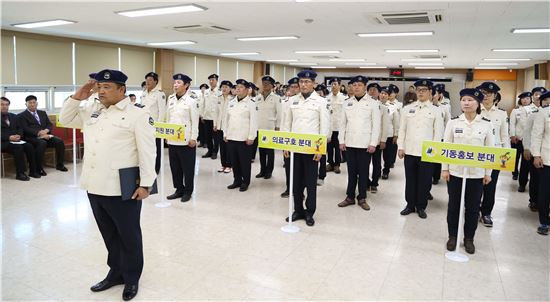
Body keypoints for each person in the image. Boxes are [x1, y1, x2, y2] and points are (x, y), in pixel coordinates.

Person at [60, 69, 156, 301]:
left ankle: (131, 278)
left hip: (122, 187)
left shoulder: (138, 115)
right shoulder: (93, 110)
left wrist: (146, 185)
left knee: (129, 234)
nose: (100, 91)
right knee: (109, 235)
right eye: (99, 87)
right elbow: (64, 119)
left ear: (121, 90)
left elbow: (147, 152)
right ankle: (115, 273)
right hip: (94, 185)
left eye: (107, 87)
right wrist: (77, 96)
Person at [442, 88, 494, 254]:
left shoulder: (486, 124)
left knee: (472, 209)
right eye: (463, 99)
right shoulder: (453, 122)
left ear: (478, 103)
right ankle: (453, 236)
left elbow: (490, 151)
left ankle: (469, 238)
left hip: (476, 174)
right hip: (456, 173)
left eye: (470, 100)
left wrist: (488, 173)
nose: (466, 103)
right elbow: (446, 147)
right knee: (454, 207)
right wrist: (445, 169)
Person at [282, 70, 330, 226]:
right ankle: (298, 210)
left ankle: (309, 212)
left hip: (311, 150)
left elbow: (325, 128)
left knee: (310, 183)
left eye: (307, 82)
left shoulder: (321, 102)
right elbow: (286, 124)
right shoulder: (292, 101)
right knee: (295, 183)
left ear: (313, 84)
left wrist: (320, 150)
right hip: (294, 149)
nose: (303, 84)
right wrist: (285, 146)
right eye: (301, 82)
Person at [397, 79, 444, 219]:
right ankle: (410, 204)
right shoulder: (407, 109)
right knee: (410, 179)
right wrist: (401, 146)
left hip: (427, 152)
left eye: (424, 90)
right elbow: (402, 130)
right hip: (410, 150)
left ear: (430, 92)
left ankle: (421, 206)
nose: (421, 92)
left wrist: (435, 152)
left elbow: (438, 133)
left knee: (424, 180)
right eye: (418, 90)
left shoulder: (436, 111)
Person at [337, 76, 381, 211]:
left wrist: (373, 143)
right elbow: (342, 124)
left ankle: (362, 197)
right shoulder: (347, 103)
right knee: (351, 172)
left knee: (363, 172)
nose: (356, 87)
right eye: (354, 85)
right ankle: (350, 196)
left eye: (359, 85)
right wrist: (341, 140)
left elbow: (376, 126)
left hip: (365, 144)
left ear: (365, 87)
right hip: (350, 143)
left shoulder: (373, 103)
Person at [477, 81, 509, 227]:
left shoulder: (501, 114)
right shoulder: (475, 110)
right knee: (475, 183)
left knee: (490, 185)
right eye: (483, 93)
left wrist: (507, 157)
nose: (485, 96)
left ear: (495, 96)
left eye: (488, 94)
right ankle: (473, 209)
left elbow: (504, 136)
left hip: (495, 154)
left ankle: (486, 213)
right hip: (477, 153)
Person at [165, 74, 199, 202]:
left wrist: (194, 138)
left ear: (186, 85)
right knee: (175, 168)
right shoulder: (171, 99)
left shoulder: (192, 101)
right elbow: (168, 118)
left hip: (186, 141)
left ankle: (188, 191)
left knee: (188, 169)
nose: (175, 85)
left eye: (178, 82)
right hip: (173, 139)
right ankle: (179, 189)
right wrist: (167, 136)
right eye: (175, 82)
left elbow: (194, 121)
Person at [17, 95, 67, 174]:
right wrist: (39, 133)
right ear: (26, 104)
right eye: (30, 103)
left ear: (37, 103)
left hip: (46, 135)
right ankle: (38, 167)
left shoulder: (42, 113)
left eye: (34, 102)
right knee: (42, 143)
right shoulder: (21, 115)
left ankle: (60, 164)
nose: (32, 104)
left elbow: (49, 124)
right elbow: (25, 128)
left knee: (59, 141)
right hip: (31, 138)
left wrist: (46, 130)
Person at [223, 79, 257, 192]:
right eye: (237, 86)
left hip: (244, 139)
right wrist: (225, 133)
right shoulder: (231, 102)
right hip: (232, 136)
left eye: (241, 87)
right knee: (234, 161)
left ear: (247, 90)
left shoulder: (251, 103)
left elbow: (254, 122)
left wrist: (251, 137)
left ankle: (245, 182)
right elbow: (226, 119)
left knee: (245, 162)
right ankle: (236, 180)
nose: (238, 88)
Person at [1, 96, 39, 180]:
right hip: (2, 142)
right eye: (2, 104)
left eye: (6, 104)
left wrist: (19, 135)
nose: (4, 106)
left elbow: (20, 128)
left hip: (15, 140)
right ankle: (20, 173)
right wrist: (9, 137)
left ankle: (33, 171)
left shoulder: (14, 116)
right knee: (18, 148)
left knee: (29, 146)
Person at [523, 87, 547, 211]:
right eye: (537, 95)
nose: (539, 98)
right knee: (535, 178)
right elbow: (527, 133)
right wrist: (526, 148)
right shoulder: (533, 114)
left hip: (547, 152)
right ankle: (533, 200)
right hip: (535, 150)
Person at [531, 90, 550, 235]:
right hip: (547, 158)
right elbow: (537, 135)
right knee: (545, 192)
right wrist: (536, 155)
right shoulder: (544, 112)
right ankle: (544, 221)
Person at [255, 75, 281, 179]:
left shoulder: (276, 98)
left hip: (270, 128)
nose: (265, 86)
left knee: (270, 152)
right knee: (261, 151)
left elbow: (279, 113)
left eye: (267, 84)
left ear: (272, 86)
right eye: (264, 84)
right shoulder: (258, 97)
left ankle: (269, 171)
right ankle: (262, 170)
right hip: (260, 127)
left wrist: (278, 127)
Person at [140, 72, 166, 174]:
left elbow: (162, 111)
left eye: (150, 79)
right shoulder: (144, 93)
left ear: (155, 81)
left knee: (156, 149)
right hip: (144, 125)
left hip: (154, 127)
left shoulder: (160, 94)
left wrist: (159, 127)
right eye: (147, 79)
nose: (148, 81)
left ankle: (156, 168)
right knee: (145, 149)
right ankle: (147, 167)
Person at [280, 77, 300, 198]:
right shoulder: (285, 102)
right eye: (291, 87)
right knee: (288, 166)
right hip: (287, 139)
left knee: (300, 168)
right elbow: (283, 122)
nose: (293, 89)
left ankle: (299, 191)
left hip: (299, 139)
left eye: (295, 87)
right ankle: (289, 188)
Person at [509, 92, 534, 190]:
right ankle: (515, 172)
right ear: (520, 100)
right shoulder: (516, 111)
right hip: (518, 138)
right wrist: (512, 135)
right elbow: (512, 124)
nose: (525, 100)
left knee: (525, 161)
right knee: (515, 157)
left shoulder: (534, 110)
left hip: (528, 140)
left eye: (527, 98)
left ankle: (522, 182)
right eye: (523, 98)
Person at [367, 82, 388, 193]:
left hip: (378, 140)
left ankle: (374, 183)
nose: (372, 92)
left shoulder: (383, 108)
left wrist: (383, 139)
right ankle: (365, 182)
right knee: (364, 164)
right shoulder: (363, 105)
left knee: (376, 163)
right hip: (365, 140)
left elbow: (385, 125)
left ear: (379, 93)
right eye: (370, 89)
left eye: (375, 90)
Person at [326, 78, 346, 174]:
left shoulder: (344, 98)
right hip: (329, 128)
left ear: (339, 85)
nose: (333, 86)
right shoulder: (327, 98)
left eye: (335, 84)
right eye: (332, 84)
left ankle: (337, 165)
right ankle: (330, 163)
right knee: (329, 147)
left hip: (338, 127)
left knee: (337, 148)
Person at [382, 84, 401, 179]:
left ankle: (386, 170)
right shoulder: (376, 105)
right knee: (376, 157)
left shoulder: (393, 107)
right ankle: (376, 172)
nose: (383, 95)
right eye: (382, 93)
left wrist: (396, 134)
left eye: (386, 94)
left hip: (389, 134)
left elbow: (396, 122)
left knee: (387, 155)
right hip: (377, 135)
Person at [215, 80, 234, 173]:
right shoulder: (218, 98)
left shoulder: (233, 99)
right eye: (223, 87)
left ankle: (229, 165)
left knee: (228, 147)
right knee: (222, 147)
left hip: (228, 127)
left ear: (230, 89)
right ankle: (223, 164)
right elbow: (216, 112)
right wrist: (215, 124)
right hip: (219, 126)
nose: (224, 89)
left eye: (226, 87)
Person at [201, 75, 220, 159]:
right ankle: (210, 150)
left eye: (213, 80)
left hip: (215, 118)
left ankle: (215, 152)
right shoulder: (206, 91)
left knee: (215, 137)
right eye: (210, 80)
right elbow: (203, 104)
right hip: (207, 117)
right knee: (207, 136)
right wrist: (202, 115)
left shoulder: (219, 91)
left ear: (216, 81)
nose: (211, 81)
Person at [314, 84, 329, 186]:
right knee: (314, 158)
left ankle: (322, 175)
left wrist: (328, 135)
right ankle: (314, 175)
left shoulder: (326, 103)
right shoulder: (314, 102)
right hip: (314, 135)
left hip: (322, 135)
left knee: (322, 156)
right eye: (317, 92)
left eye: (321, 92)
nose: (319, 93)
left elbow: (329, 121)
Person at [197, 83, 209, 148]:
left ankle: (206, 143)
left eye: (204, 88)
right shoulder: (199, 96)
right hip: (199, 116)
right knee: (201, 130)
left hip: (205, 116)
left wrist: (203, 116)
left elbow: (206, 107)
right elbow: (199, 107)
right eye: (202, 88)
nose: (203, 89)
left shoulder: (208, 97)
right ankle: (201, 142)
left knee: (206, 131)